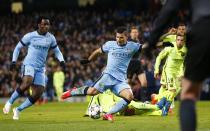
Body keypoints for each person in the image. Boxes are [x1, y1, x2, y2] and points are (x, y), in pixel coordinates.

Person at [147, 0, 210, 130]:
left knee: (188, 93)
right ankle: (160, 101)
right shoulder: (173, 41)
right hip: (170, 69)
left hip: (204, 28)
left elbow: (169, 10)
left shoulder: (187, 41)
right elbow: (162, 49)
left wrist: (151, 40)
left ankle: (158, 99)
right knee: (173, 89)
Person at [62, 27, 147, 121]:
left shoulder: (132, 46)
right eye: (117, 37)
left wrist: (163, 43)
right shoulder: (110, 44)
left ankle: (108, 114)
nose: (119, 39)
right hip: (108, 76)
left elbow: (146, 46)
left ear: (126, 37)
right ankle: (72, 91)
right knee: (92, 92)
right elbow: (98, 51)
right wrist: (89, 60)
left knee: (129, 96)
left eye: (121, 37)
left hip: (120, 80)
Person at [3, 16, 65, 120]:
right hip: (29, 64)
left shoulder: (51, 38)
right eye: (45, 24)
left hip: (40, 68)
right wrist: (14, 61)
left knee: (38, 94)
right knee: (27, 81)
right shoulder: (30, 36)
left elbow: (57, 51)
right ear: (39, 25)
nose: (47, 26)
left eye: (48, 24)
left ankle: (18, 109)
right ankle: (9, 102)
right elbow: (18, 48)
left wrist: (62, 60)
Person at [153, 34, 187, 116]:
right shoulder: (170, 47)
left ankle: (156, 97)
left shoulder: (185, 50)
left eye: (181, 40)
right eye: (178, 40)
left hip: (178, 72)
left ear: (184, 42)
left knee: (178, 89)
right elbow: (159, 57)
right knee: (171, 89)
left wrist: (182, 74)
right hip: (168, 71)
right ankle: (166, 109)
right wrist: (156, 70)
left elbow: (184, 63)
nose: (179, 42)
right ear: (175, 40)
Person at [85, 89, 162, 117]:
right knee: (133, 107)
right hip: (107, 108)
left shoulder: (111, 89)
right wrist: (88, 112)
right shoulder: (98, 90)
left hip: (115, 106)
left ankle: (159, 112)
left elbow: (117, 98)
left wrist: (124, 102)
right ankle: (156, 106)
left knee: (135, 111)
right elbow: (92, 100)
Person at [127, 26, 147, 102]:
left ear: (138, 33)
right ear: (130, 34)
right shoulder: (128, 42)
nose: (135, 34)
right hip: (130, 64)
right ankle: (130, 99)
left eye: (136, 32)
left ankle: (143, 101)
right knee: (128, 82)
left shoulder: (139, 41)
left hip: (138, 63)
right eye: (133, 32)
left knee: (144, 82)